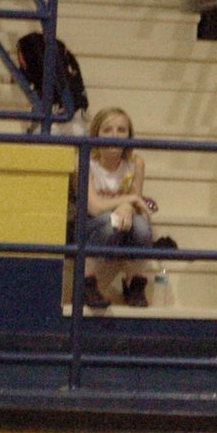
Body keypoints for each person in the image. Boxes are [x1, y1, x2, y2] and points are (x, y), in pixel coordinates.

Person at [83, 106, 153, 310]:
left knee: (141, 225)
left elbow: (135, 204)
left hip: (123, 224)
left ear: (129, 135)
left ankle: (135, 283)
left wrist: (127, 205)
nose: (115, 135)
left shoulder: (136, 162)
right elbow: (94, 207)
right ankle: (88, 282)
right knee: (109, 221)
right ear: (96, 133)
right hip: (92, 226)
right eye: (107, 130)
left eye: (121, 130)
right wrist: (126, 201)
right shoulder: (86, 161)